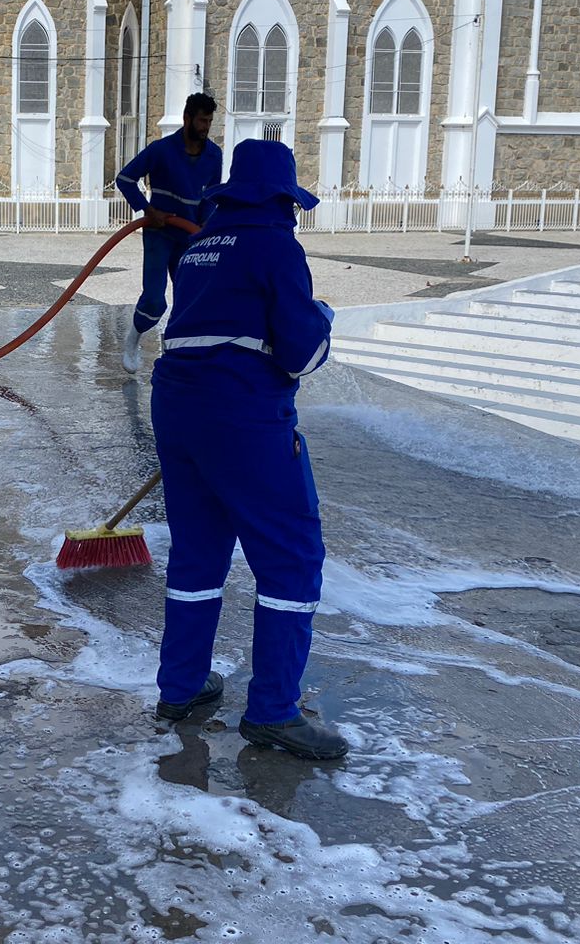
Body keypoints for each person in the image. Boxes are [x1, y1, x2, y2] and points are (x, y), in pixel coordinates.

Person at [149, 137, 348, 761]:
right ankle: (272, 713)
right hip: (242, 416)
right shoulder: (276, 245)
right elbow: (301, 353)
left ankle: (180, 688)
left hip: (178, 407)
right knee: (291, 557)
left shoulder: (203, 244)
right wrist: (320, 314)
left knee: (199, 554)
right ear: (284, 200)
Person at [115, 92, 223, 374]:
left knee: (190, 299)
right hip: (159, 234)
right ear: (187, 118)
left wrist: (204, 226)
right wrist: (148, 210)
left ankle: (173, 351)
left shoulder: (214, 155)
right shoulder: (161, 150)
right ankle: (133, 339)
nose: (205, 127)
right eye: (201, 120)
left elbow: (211, 196)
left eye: (209, 121)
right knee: (154, 299)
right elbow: (125, 179)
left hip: (190, 238)